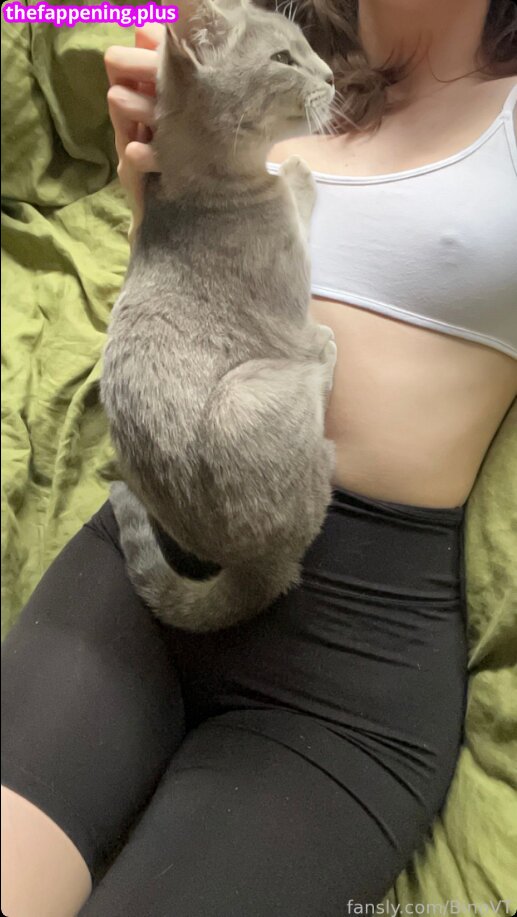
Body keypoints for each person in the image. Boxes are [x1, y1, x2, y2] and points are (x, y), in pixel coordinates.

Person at [2, 2, 516, 915]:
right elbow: (183, 299)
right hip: (150, 558)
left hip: (347, 673)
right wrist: (157, 195)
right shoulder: (266, 49)